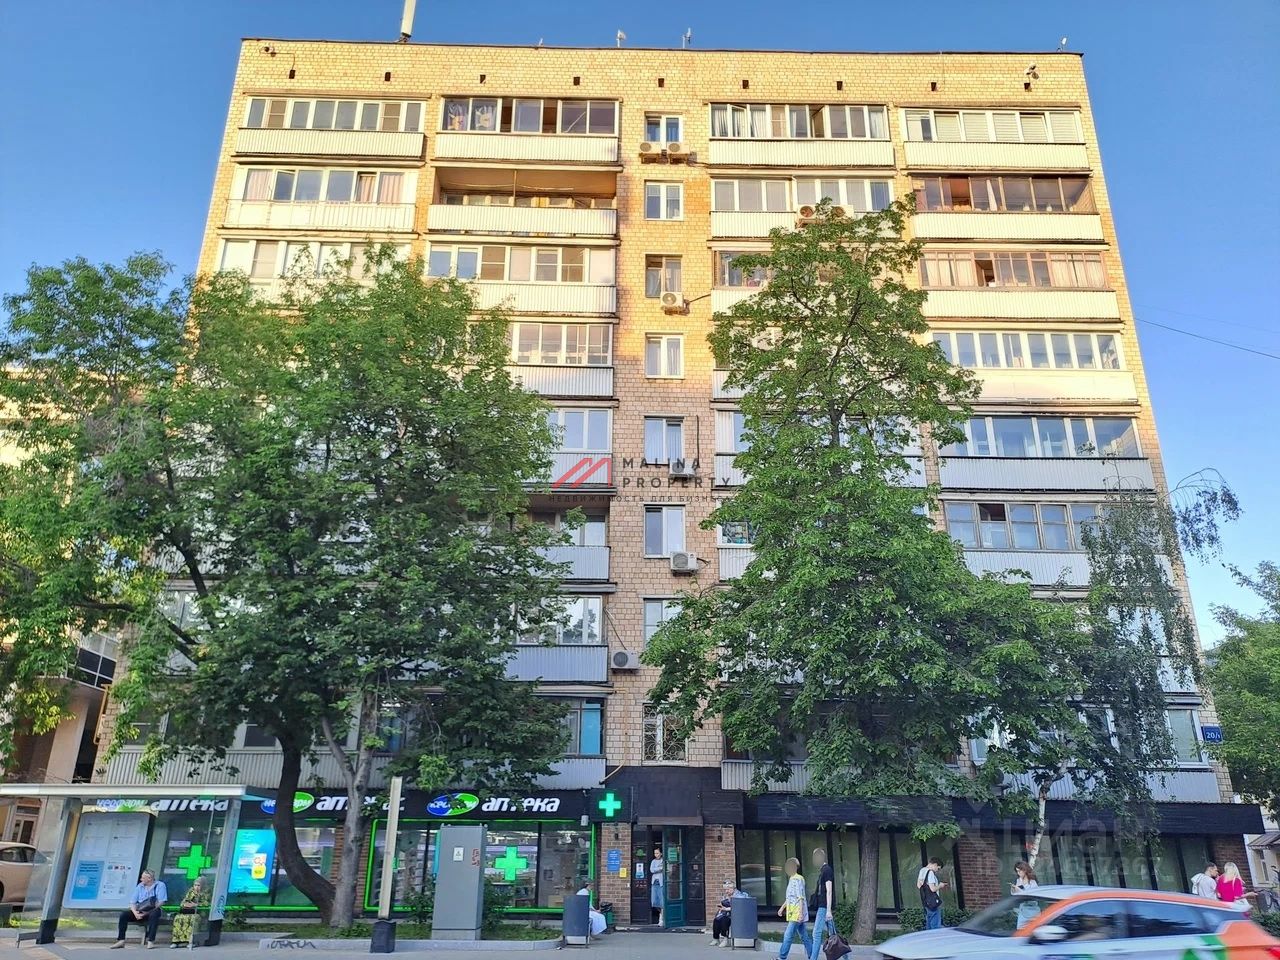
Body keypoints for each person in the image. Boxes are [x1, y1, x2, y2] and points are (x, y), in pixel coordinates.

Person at [112, 870, 168, 949]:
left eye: (143, 878)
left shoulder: (160, 885)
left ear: (149, 878)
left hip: (152, 910)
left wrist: (146, 913)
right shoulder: (140, 886)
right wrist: (135, 913)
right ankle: (121, 940)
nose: (141, 879)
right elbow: (132, 902)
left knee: (154, 914)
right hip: (140, 910)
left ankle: (151, 941)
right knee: (124, 915)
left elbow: (161, 902)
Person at [777, 857, 812, 960]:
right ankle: (812, 955)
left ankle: (782, 957)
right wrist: (782, 908)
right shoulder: (792, 879)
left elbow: (800, 897)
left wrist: (800, 913)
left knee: (788, 935)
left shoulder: (797, 879)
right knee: (804, 936)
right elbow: (790, 897)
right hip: (793, 911)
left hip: (796, 912)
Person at [809, 847, 835, 960]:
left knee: (816, 933)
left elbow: (829, 891)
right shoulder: (823, 871)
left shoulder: (827, 870)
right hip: (823, 906)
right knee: (834, 935)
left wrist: (828, 910)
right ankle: (846, 957)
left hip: (824, 907)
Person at [170, 875, 209, 948]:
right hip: (188, 911)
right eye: (195, 885)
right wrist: (185, 904)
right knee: (178, 918)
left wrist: (195, 904)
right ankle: (176, 941)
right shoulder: (191, 891)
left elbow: (206, 904)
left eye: (198, 885)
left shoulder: (206, 892)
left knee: (193, 919)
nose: (196, 887)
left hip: (199, 912)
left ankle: (192, 941)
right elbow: (183, 901)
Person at [916, 856, 947, 931]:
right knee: (935, 925)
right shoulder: (930, 873)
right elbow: (932, 889)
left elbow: (919, 885)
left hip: (926, 901)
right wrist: (940, 885)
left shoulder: (922, 870)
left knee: (929, 923)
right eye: (938, 868)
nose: (937, 871)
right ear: (935, 864)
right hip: (933, 902)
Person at [710, 878, 743, 946]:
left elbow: (738, 907)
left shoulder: (738, 895)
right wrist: (721, 907)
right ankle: (716, 938)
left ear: (733, 888)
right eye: (725, 889)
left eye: (728, 889)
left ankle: (725, 939)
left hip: (735, 915)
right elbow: (723, 903)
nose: (726, 891)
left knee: (724, 920)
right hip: (726, 913)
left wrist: (726, 909)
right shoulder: (726, 895)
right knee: (716, 920)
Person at [1011, 862, 1040, 926]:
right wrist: (1013, 890)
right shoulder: (1018, 881)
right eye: (1017, 871)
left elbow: (1035, 896)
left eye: (1019, 871)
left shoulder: (1032, 882)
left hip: (1033, 910)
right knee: (1021, 929)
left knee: (1034, 928)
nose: (1018, 873)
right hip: (1022, 911)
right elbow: (1014, 895)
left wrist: (1020, 891)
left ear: (1025, 870)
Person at [649, 847, 665, 925]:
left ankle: (661, 919)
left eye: (657, 853)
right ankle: (661, 914)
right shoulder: (653, 861)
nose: (656, 855)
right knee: (654, 901)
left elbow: (665, 869)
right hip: (654, 882)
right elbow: (652, 870)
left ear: (661, 853)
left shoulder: (663, 861)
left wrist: (657, 869)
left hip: (661, 882)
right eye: (655, 853)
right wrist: (660, 868)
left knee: (662, 901)